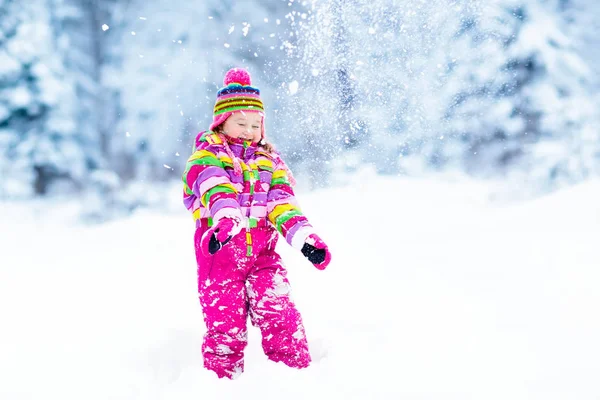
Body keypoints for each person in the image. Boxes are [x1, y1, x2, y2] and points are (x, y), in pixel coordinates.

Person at [182, 68, 332, 379]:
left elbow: (282, 204)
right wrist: (226, 218)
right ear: (221, 122)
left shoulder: (270, 162)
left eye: (255, 124)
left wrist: (305, 238)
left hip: (262, 257)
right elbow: (215, 187)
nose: (249, 130)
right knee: (225, 328)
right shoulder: (206, 156)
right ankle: (222, 386)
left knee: (281, 315)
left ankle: (298, 381)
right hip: (219, 257)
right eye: (241, 123)